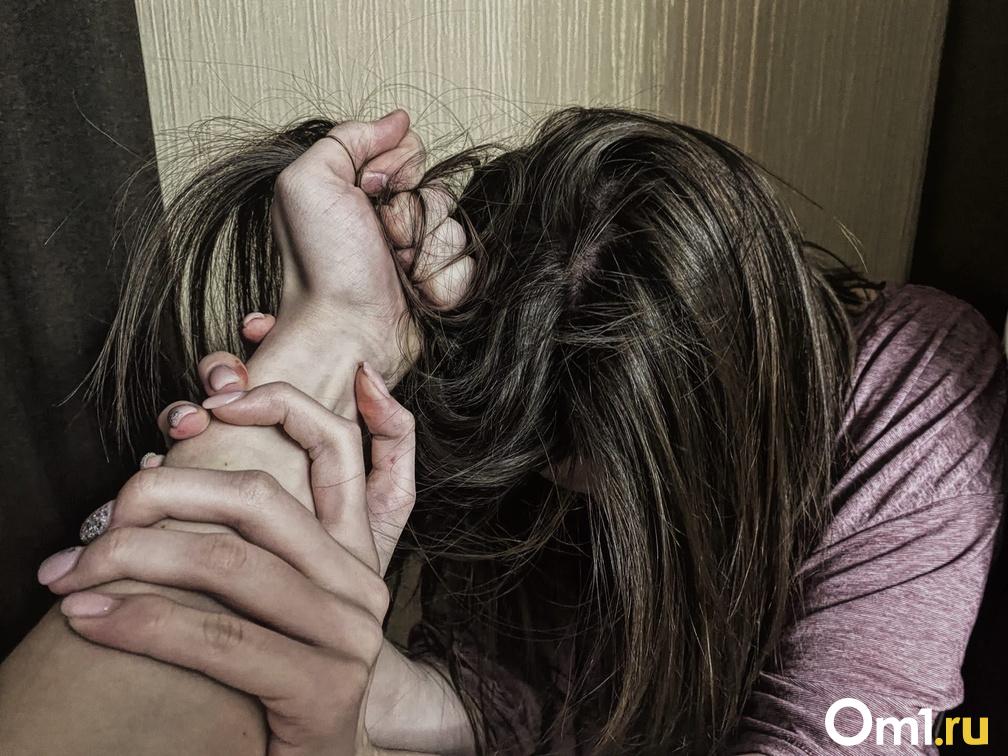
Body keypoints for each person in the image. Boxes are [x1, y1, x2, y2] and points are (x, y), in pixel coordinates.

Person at [0, 107, 1004, 755]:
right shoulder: (520, 380)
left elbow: (842, 733)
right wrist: (333, 336)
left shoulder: (918, 387)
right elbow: (500, 706)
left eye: (587, 477)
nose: (565, 494)